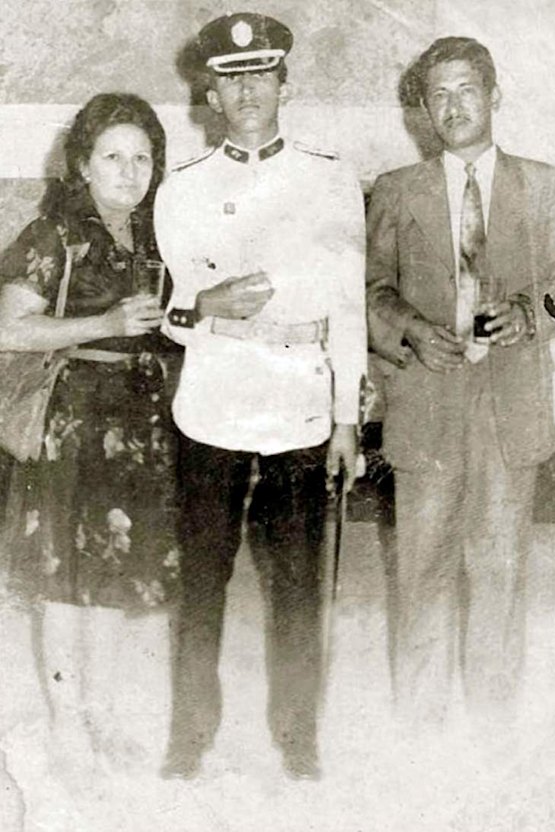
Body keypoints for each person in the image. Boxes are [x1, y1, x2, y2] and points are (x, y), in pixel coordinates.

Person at [155, 12, 366, 780]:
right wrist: (204, 307)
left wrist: (346, 421)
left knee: (297, 584)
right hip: (213, 403)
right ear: (210, 93)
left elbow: (348, 307)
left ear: (284, 83)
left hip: (301, 409)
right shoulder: (182, 190)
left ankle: (297, 735)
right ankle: (190, 735)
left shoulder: (330, 177)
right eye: (230, 78)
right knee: (201, 580)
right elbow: (175, 314)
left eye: (260, 74)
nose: (246, 90)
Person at [366, 37, 555, 730]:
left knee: (499, 577)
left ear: (494, 95)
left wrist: (529, 316)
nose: (452, 105)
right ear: (423, 110)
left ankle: (490, 737)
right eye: (439, 95)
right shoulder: (397, 190)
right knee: (421, 575)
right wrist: (407, 328)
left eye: (465, 89)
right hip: (425, 408)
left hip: (508, 411)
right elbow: (368, 290)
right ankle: (419, 738)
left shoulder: (543, 183)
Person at [0, 93, 181, 780]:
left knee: (114, 572)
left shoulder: (161, 234)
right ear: (83, 164)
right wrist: (104, 323)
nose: (131, 171)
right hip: (72, 425)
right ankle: (66, 726)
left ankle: (100, 714)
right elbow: (8, 328)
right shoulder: (55, 235)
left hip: (139, 423)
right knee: (61, 581)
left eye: (143, 157)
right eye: (114, 156)